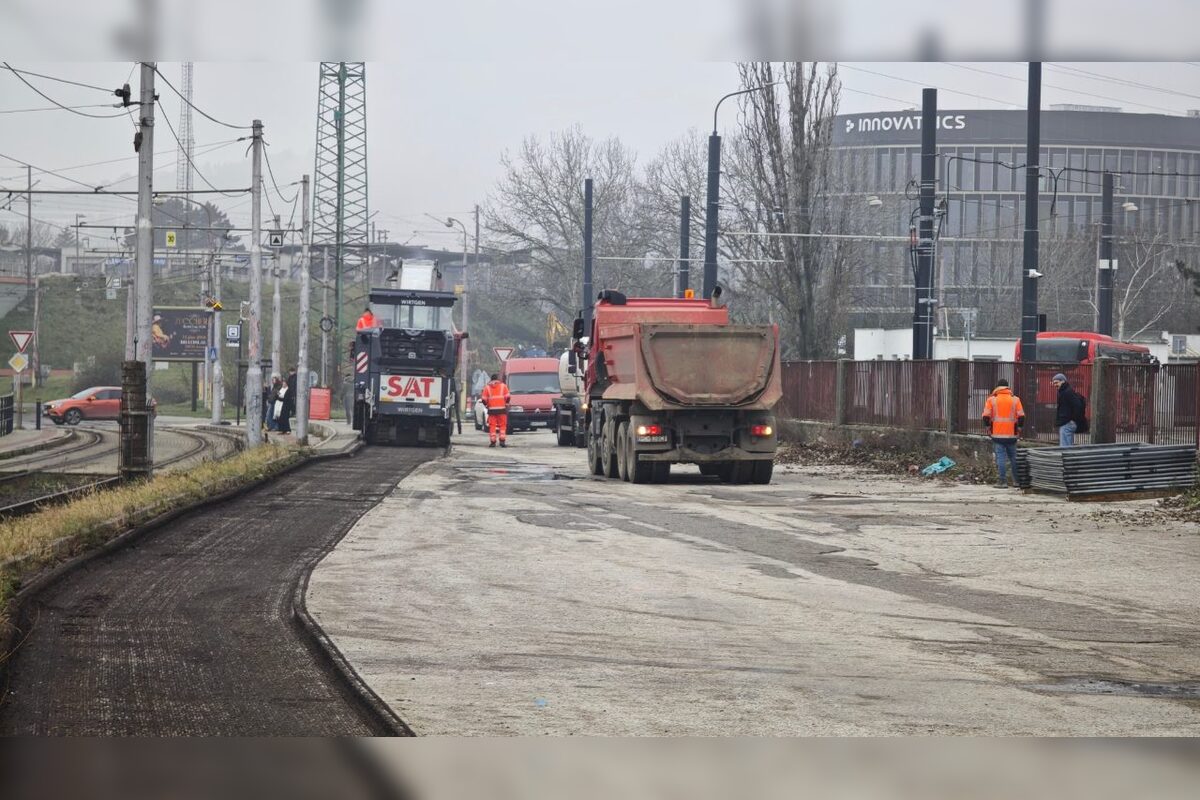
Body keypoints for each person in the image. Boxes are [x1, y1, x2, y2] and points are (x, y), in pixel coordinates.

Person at [982, 378, 1025, 488]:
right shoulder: (1015, 399)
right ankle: (1017, 481)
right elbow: (1021, 416)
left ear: (997, 387)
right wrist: (1019, 428)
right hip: (1012, 434)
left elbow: (986, 416)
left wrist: (987, 427)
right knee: (1013, 457)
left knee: (1001, 458)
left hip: (997, 434)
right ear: (1007, 387)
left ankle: (1002, 481)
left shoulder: (992, 400)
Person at [1052, 372, 1087, 447]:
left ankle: (1066, 458)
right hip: (1067, 422)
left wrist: (1072, 419)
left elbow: (1078, 406)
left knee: (1065, 447)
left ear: (1063, 381)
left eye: (1056, 382)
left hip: (1067, 423)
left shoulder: (1066, 392)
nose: (1055, 385)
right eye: (1054, 383)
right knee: (1068, 446)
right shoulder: (1066, 391)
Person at [479, 372, 511, 448]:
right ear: (497, 379)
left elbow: (483, 399)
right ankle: (502, 441)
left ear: (491, 379)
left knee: (492, 426)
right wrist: (506, 404)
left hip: (492, 411)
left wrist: (487, 405)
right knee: (502, 425)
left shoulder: (487, 388)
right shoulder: (503, 386)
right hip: (502, 410)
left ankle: (493, 442)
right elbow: (508, 397)